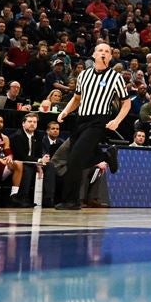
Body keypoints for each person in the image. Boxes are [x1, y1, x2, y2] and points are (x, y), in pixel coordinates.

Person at [54, 43, 131, 210]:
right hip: (80, 120)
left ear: (110, 57)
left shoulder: (115, 77)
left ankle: (72, 201)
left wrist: (117, 120)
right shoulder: (84, 75)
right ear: (94, 55)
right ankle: (105, 156)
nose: (103, 53)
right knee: (76, 160)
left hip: (98, 121)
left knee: (75, 158)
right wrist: (65, 112)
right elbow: (76, 99)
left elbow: (126, 103)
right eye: (100, 50)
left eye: (107, 51)